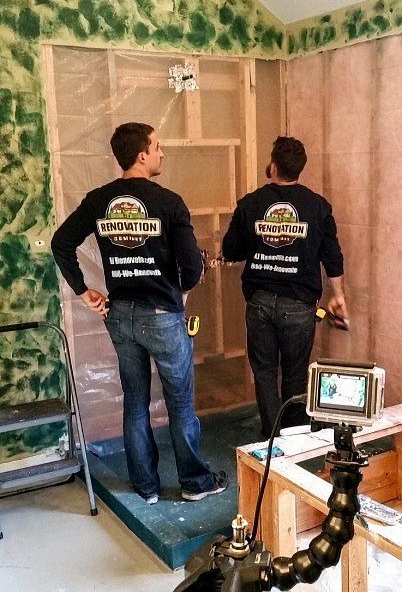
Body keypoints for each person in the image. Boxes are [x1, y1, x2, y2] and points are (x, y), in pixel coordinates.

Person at [51, 122, 226, 504]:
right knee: (181, 403)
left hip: (119, 316)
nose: (162, 153)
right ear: (142, 155)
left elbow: (61, 242)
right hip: (162, 316)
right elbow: (192, 267)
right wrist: (181, 292)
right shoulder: (169, 202)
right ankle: (195, 483)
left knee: (135, 402)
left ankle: (146, 488)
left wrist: (83, 291)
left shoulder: (99, 200)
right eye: (157, 147)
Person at [222, 136, 346, 438]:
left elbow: (231, 250)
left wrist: (258, 242)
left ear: (273, 166)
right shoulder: (317, 206)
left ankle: (271, 437)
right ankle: (293, 439)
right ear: (300, 168)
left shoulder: (250, 204)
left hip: (260, 302)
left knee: (264, 373)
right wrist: (339, 296)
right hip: (300, 306)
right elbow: (332, 256)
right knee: (295, 375)